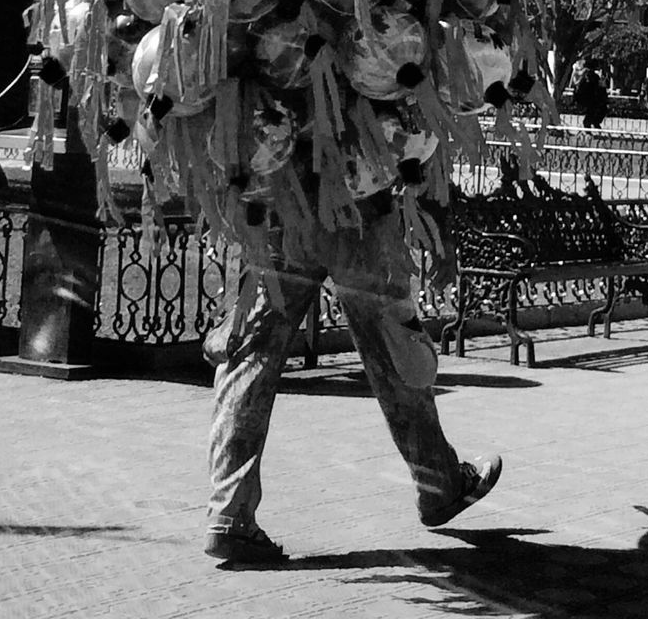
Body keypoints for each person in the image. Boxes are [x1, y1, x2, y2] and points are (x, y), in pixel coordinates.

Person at [203, 158, 501, 567]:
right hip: (358, 208)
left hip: (279, 204)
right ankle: (439, 483)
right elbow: (416, 124)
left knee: (251, 357)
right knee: (395, 350)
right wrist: (438, 224)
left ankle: (230, 510)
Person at [573, 63, 609, 129]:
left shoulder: (586, 75)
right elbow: (598, 89)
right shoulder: (591, 76)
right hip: (587, 99)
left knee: (600, 108)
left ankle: (595, 122)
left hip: (586, 98)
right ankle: (589, 123)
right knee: (596, 108)